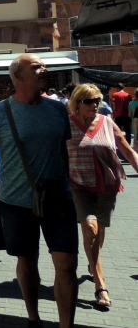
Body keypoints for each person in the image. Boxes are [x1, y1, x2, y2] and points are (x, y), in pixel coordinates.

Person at [0, 54, 77, 328]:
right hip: (16, 201)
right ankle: (34, 321)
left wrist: (70, 185)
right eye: (36, 67)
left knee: (66, 264)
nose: (44, 70)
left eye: (43, 66)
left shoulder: (58, 110)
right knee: (27, 261)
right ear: (17, 76)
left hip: (57, 198)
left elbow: (62, 152)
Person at [66, 84, 138, 310]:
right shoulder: (66, 124)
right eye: (89, 101)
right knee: (90, 228)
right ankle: (100, 284)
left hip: (107, 186)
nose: (95, 105)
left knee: (99, 232)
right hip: (79, 186)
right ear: (78, 102)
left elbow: (127, 150)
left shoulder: (106, 122)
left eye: (97, 100)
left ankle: (92, 263)